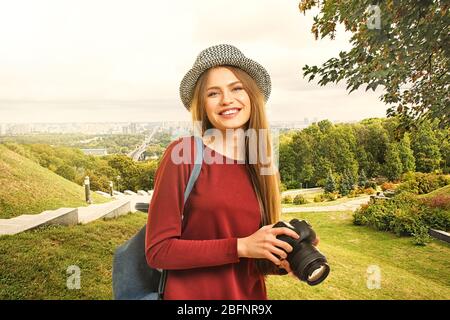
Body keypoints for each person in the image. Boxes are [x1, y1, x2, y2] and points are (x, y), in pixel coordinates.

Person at [145, 44, 319, 300]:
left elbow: (248, 257)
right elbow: (158, 250)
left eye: (236, 88)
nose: (227, 100)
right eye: (213, 93)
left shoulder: (260, 162)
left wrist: (282, 260)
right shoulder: (183, 154)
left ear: (251, 95)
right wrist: (241, 246)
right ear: (203, 105)